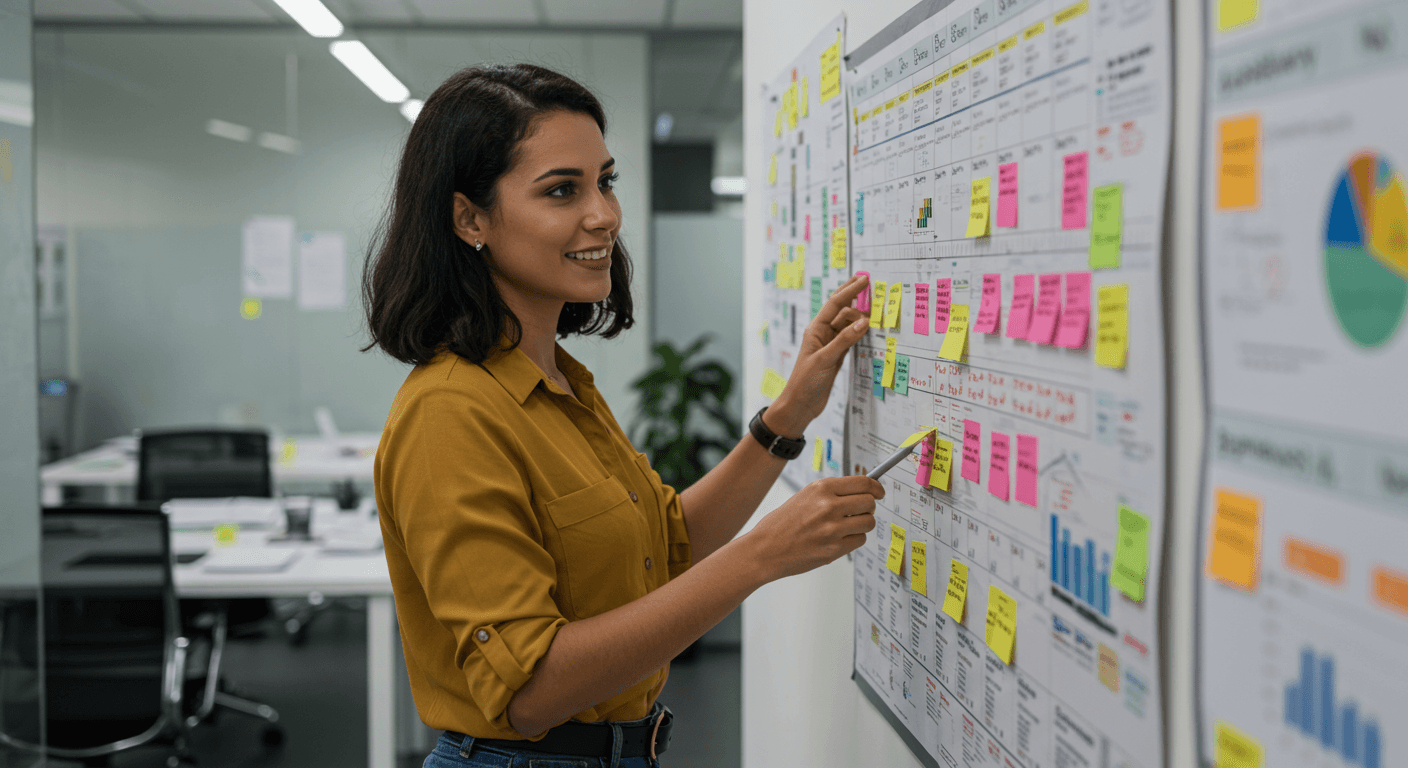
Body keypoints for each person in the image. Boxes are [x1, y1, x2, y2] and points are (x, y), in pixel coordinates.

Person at [362, 63, 881, 768]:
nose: (603, 214)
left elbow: (664, 551)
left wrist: (787, 417)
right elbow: (533, 690)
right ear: (470, 218)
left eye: (604, 181)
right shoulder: (450, 413)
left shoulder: (559, 381)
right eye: (560, 191)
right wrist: (758, 559)